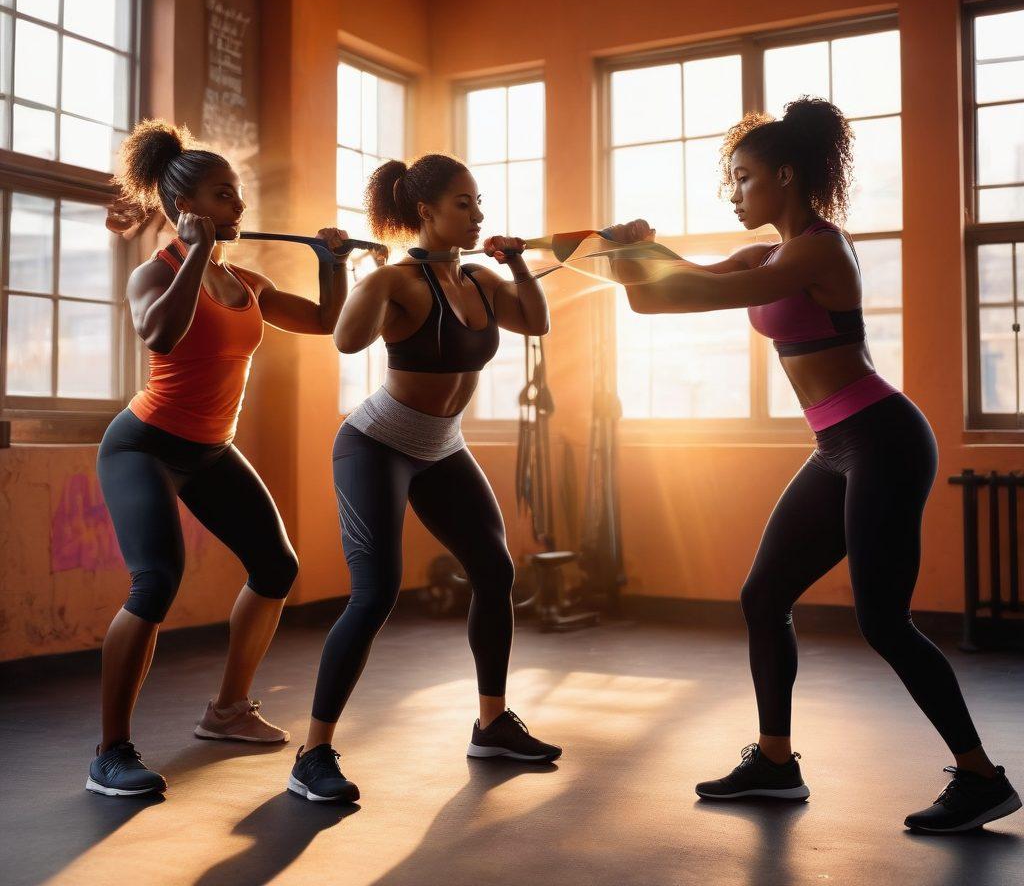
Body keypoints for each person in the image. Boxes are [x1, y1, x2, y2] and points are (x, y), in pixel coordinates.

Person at [606, 97, 1020, 833]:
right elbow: (658, 303)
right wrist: (627, 255)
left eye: (742, 178)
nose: (732, 193)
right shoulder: (766, 253)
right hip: (837, 446)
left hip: (884, 438)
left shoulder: (819, 251)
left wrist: (635, 255)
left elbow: (704, 289)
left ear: (786, 176)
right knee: (764, 597)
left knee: (883, 621)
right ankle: (773, 762)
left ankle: (983, 778)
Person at [89, 120, 353, 798]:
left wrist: (334, 263)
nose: (238, 208)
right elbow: (163, 334)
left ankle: (228, 711)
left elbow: (327, 325)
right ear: (186, 209)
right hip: (143, 445)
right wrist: (195, 255)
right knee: (156, 580)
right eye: (223, 195)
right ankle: (110, 752)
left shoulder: (250, 283)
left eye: (237, 195)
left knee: (276, 566)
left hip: (209, 449)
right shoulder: (157, 273)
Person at [288, 153, 561, 804]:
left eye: (479, 203)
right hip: (376, 444)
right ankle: (313, 753)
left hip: (441, 447)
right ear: (426, 213)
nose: (478, 216)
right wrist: (351, 272)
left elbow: (537, 320)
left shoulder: (482, 279)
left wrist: (518, 261)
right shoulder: (398, 281)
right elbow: (346, 342)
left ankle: (492, 722)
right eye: (464, 204)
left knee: (494, 572)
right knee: (375, 594)